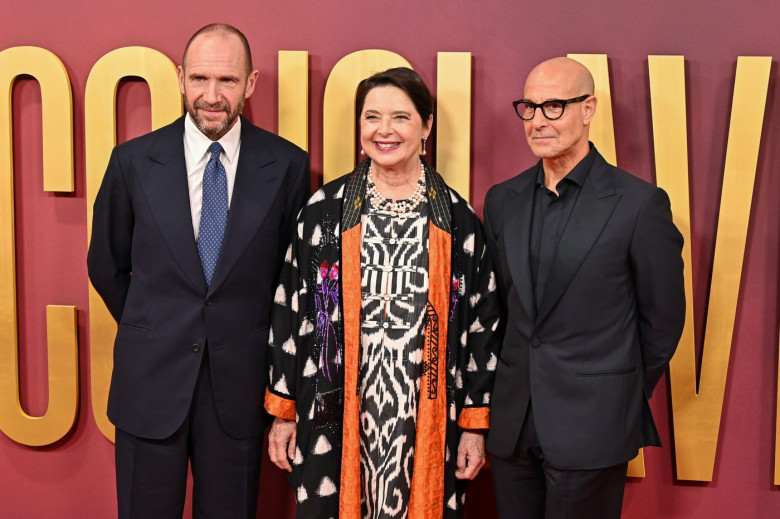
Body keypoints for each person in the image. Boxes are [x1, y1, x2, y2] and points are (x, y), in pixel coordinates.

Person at [87, 23, 309, 519]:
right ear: (181, 78)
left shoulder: (288, 165)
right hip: (150, 384)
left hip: (240, 390)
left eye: (227, 81)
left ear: (250, 83)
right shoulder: (132, 162)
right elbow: (106, 264)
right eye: (201, 79)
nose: (212, 96)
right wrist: (154, 325)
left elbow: (289, 284)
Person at [264, 67, 500, 519]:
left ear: (427, 126)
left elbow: (482, 327)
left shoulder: (459, 220)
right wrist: (284, 411)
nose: (384, 130)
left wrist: (474, 425)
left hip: (428, 412)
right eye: (372, 117)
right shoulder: (323, 211)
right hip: (334, 409)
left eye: (401, 117)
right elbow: (288, 311)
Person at [483, 57, 686, 519]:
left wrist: (612, 391)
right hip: (513, 426)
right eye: (528, 108)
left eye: (554, 106)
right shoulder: (502, 201)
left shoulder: (638, 205)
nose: (537, 121)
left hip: (593, 425)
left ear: (589, 108)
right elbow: (500, 312)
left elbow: (663, 322)